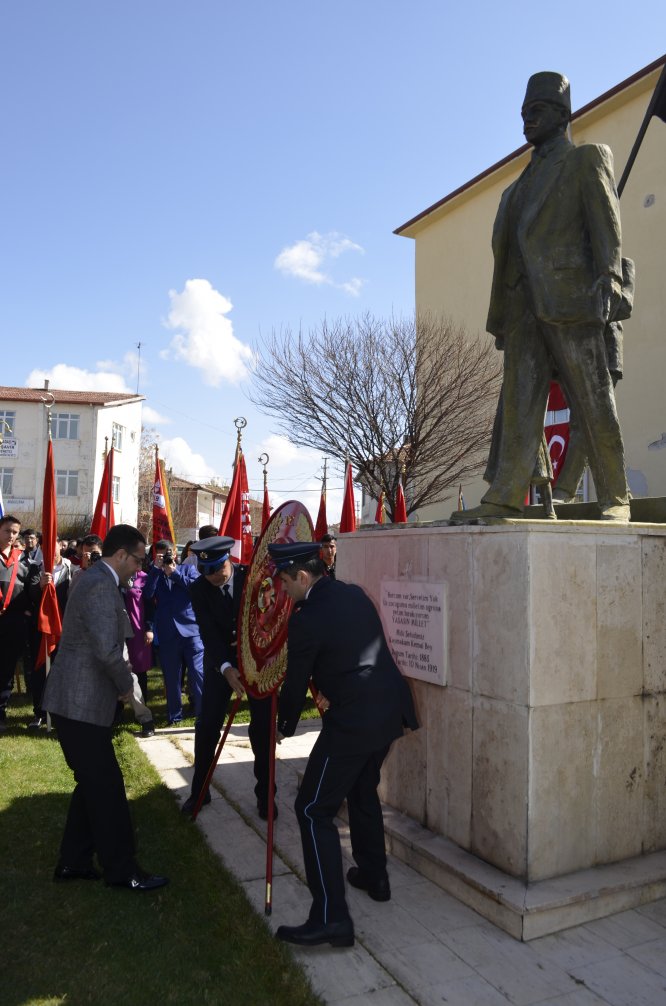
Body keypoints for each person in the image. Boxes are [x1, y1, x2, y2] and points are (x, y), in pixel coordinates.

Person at [451, 71, 631, 524]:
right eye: (523, 114)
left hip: (570, 298)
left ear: (562, 114)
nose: (526, 122)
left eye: (536, 112)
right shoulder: (515, 188)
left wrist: (609, 274)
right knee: (520, 403)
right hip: (521, 309)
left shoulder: (585, 160)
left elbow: (605, 223)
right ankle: (507, 493)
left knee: (593, 398)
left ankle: (616, 495)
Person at [268, 541, 418, 948]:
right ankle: (374, 875)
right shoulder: (352, 592)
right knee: (360, 788)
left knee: (312, 809)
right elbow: (351, 654)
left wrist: (282, 726)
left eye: (285, 582)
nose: (283, 591)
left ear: (302, 576)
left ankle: (331, 917)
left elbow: (298, 679)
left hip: (353, 723)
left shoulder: (307, 616)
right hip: (387, 712)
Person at [41, 524, 168, 891]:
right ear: (121, 555)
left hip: (80, 703)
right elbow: (106, 651)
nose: (141, 568)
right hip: (77, 704)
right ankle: (122, 871)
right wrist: (130, 692)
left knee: (92, 783)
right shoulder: (99, 584)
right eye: (139, 560)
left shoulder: (102, 580)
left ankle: (74, 862)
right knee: (107, 788)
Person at [181, 536, 274, 819]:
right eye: (205, 572)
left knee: (263, 730)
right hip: (219, 665)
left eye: (217, 572)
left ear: (229, 562)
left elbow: (269, 620)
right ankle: (199, 792)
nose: (211, 578)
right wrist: (226, 668)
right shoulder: (199, 589)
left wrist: (250, 662)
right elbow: (208, 632)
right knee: (207, 725)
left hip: (257, 663)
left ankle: (266, 797)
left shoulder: (253, 580)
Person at [143, 540, 203, 724]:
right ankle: (175, 716)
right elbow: (147, 594)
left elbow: (195, 589)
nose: (166, 557)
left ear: (175, 553)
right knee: (172, 676)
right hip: (168, 632)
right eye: (161, 554)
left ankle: (203, 714)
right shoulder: (155, 574)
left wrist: (175, 574)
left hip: (191, 631)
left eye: (168, 553)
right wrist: (156, 569)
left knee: (198, 673)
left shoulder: (187, 570)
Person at [0, 515, 41, 727]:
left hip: (14, 621)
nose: (11, 536)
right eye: (7, 531)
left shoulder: (25, 561)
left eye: (15, 532)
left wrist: (41, 584)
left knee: (6, 668)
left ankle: (1, 712)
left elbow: (32, 593)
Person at [29, 538, 73, 729]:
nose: (50, 551)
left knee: (61, 671)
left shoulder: (71, 569)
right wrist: (39, 586)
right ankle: (39, 713)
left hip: (65, 629)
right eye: (46, 547)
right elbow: (28, 594)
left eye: (53, 547)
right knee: (40, 670)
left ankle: (58, 713)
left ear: (60, 548)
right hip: (42, 629)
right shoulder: (36, 569)